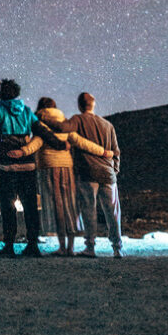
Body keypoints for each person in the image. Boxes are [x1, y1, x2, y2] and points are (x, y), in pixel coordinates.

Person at [11, 96, 113, 256]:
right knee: (69, 205)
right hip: (67, 168)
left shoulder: (42, 123)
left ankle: (62, 247)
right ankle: (71, 247)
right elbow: (81, 142)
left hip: (49, 168)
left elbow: (36, 142)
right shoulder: (64, 124)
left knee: (57, 207)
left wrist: (23, 151)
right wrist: (103, 151)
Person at [41, 92, 123, 257]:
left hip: (88, 172)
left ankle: (90, 247)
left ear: (79, 105)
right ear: (93, 104)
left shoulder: (77, 119)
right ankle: (117, 248)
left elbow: (62, 128)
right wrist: (114, 170)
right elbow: (116, 152)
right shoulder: (108, 125)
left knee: (89, 210)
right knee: (112, 212)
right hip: (108, 173)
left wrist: (42, 119)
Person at [0, 79, 46, 257]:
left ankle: (9, 245)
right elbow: (41, 132)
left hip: (5, 166)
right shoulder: (26, 111)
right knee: (30, 205)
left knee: (8, 206)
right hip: (28, 165)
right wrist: (59, 143)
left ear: (1, 92)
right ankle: (33, 245)